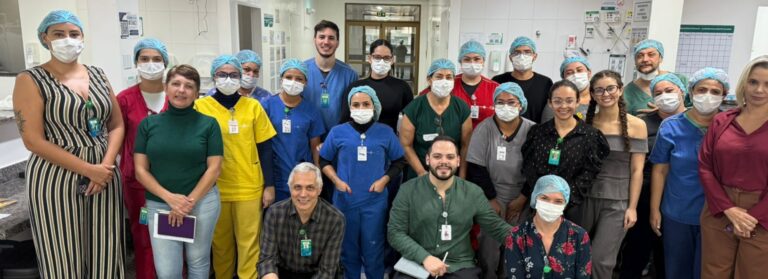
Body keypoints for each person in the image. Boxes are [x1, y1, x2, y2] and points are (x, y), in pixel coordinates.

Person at [12, 10, 126, 278]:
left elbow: (117, 125)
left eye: (74, 34)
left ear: (83, 37)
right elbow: (33, 140)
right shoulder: (30, 80)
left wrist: (105, 165)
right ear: (45, 38)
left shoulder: (98, 74)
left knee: (107, 249)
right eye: (59, 34)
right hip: (56, 176)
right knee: (63, 255)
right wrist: (88, 169)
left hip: (105, 173)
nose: (68, 40)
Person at [133, 65, 222, 278]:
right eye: (176, 84)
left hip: (202, 203)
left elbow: (214, 169)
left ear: (196, 92)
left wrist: (187, 203)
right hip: (161, 205)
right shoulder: (148, 125)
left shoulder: (208, 125)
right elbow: (140, 170)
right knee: (167, 270)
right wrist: (171, 200)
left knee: (198, 262)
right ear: (166, 87)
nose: (181, 90)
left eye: (189, 86)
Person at [195, 54, 277, 279]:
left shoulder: (253, 107)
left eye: (233, 75)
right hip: (214, 188)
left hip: (249, 186)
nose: (228, 79)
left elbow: (265, 148)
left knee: (250, 245)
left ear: (241, 78)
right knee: (220, 245)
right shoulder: (200, 107)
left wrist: (269, 186)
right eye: (222, 74)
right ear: (213, 77)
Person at [388, 136, 512, 278]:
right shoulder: (407, 190)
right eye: (437, 156)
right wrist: (424, 257)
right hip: (417, 263)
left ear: (458, 161)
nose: (444, 162)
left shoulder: (473, 192)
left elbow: (495, 226)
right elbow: (395, 232)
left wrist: (526, 239)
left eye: (450, 157)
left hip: (459, 265)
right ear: (428, 160)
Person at [649, 67, 729, 279]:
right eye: (702, 89)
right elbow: (660, 170)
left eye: (715, 91)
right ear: (691, 92)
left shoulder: (730, 126)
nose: (707, 96)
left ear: (724, 96)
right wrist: (655, 209)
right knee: (677, 270)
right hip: (677, 211)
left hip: (718, 212)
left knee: (710, 271)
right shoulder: (671, 127)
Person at [319, 85, 406, 279]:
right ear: (349, 108)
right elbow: (324, 160)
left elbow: (399, 160)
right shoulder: (337, 132)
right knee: (348, 251)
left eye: (365, 104)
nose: (361, 108)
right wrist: (336, 180)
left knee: (373, 250)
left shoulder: (385, 132)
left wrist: (384, 180)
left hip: (374, 202)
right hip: (345, 200)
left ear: (374, 106)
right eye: (356, 104)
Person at [699, 55, 768, 278]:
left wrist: (752, 217)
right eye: (753, 82)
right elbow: (705, 166)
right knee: (713, 273)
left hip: (763, 213)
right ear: (743, 84)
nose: (759, 90)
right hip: (719, 208)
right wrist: (729, 209)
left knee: (753, 273)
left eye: (767, 84)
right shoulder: (722, 121)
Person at [466, 82, 535, 279]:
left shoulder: (533, 130)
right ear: (493, 104)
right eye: (500, 102)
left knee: (517, 246)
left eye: (511, 102)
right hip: (491, 193)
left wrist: (522, 198)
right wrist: (491, 199)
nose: (506, 106)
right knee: (489, 247)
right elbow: (476, 167)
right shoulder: (484, 129)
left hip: (522, 195)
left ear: (521, 104)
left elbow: (537, 169)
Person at [584, 70, 648, 279]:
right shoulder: (584, 123)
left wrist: (632, 207)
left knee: (603, 259)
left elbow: (637, 170)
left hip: (617, 202)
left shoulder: (637, 125)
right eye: (599, 90)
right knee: (576, 254)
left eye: (610, 88)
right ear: (592, 94)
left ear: (620, 90)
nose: (605, 94)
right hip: (584, 198)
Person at [515, 80, 610, 224]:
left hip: (572, 208)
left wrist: (561, 201)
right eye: (557, 101)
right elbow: (529, 169)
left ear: (577, 102)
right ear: (550, 103)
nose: (563, 106)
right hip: (539, 205)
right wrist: (544, 199)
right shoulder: (537, 133)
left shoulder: (591, 136)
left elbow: (588, 174)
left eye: (569, 101)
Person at [117, 37, 170, 279]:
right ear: (136, 63)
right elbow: (117, 139)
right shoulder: (125, 100)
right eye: (144, 59)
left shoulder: (177, 96)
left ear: (165, 63)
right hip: (138, 185)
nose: (150, 64)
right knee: (144, 237)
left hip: (174, 184)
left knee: (174, 238)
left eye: (156, 59)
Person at [258, 162, 346, 279]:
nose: (303, 194)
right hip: (282, 274)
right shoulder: (274, 213)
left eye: (310, 187)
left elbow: (327, 271)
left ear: (319, 190)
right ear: (290, 189)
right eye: (297, 187)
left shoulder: (335, 219)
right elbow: (267, 260)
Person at [504, 175, 592, 278]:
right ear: (535, 198)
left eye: (558, 201)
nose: (551, 204)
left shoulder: (579, 236)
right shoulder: (516, 236)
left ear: (565, 204)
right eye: (545, 198)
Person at [264, 58, 325, 202]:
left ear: (305, 83)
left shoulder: (311, 111)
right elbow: (261, 145)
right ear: (281, 79)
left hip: (303, 176)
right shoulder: (267, 106)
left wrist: (317, 174)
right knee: (277, 218)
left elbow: (315, 145)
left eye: (299, 79)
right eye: (289, 77)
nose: (293, 82)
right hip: (275, 176)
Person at [400, 58, 472, 180]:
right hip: (419, 172)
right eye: (439, 77)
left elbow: (466, 146)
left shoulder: (461, 108)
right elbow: (405, 145)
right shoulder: (415, 107)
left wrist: (462, 176)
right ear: (429, 79)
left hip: (452, 174)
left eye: (449, 77)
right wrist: (421, 173)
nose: (444, 81)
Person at [340, 39, 413, 133]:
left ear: (392, 60)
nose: (382, 61)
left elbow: (412, 120)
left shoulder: (402, 87)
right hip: (358, 141)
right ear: (369, 58)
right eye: (377, 57)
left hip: (388, 141)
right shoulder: (356, 87)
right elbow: (344, 120)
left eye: (386, 58)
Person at [303, 20, 359, 135]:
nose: (326, 42)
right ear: (314, 40)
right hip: (307, 136)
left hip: (339, 136)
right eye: (321, 37)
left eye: (331, 38)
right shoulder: (301, 71)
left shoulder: (350, 75)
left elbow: (353, 110)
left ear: (337, 43)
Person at [492, 36, 553, 123]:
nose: (522, 56)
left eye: (527, 52)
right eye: (516, 52)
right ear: (510, 57)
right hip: (503, 133)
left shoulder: (545, 83)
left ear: (534, 56)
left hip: (536, 134)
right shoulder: (498, 81)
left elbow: (549, 113)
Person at [624, 39, 690, 115]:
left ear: (660, 58)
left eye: (651, 54)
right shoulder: (627, 93)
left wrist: (668, 110)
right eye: (639, 56)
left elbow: (697, 112)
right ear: (635, 61)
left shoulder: (681, 80)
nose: (645, 59)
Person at [452, 40, 500, 127]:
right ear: (460, 62)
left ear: (483, 61)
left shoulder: (495, 88)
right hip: (454, 138)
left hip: (485, 138)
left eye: (477, 59)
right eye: (467, 59)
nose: (472, 63)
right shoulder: (449, 84)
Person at [542, 56, 593, 122]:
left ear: (589, 73)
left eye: (579, 70)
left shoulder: (601, 99)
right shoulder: (556, 103)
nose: (575, 75)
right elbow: (545, 129)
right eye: (569, 73)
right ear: (564, 78)